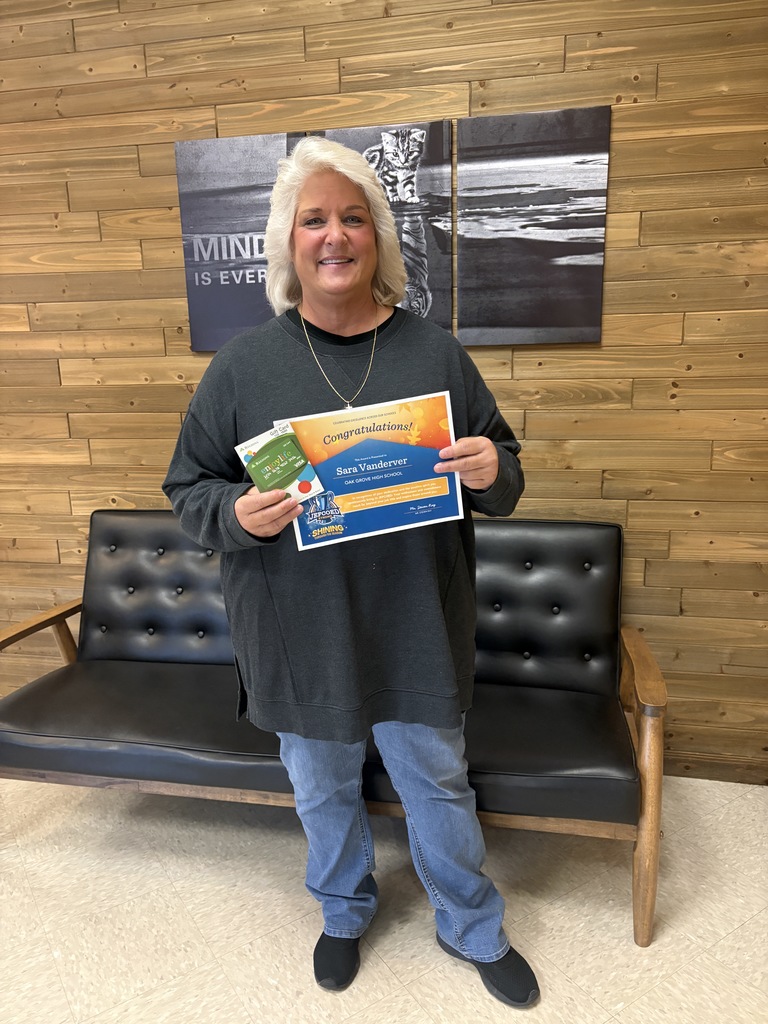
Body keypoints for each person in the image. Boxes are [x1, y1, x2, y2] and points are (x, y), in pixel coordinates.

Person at [163, 136, 539, 1009]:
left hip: (415, 618)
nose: (335, 236)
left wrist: (492, 469)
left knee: (438, 784)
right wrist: (234, 515)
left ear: (378, 239)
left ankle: (471, 924)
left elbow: (504, 471)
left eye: (354, 218)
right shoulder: (243, 365)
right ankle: (342, 910)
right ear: (288, 244)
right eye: (314, 220)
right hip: (297, 627)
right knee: (322, 787)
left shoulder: (434, 353)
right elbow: (190, 485)